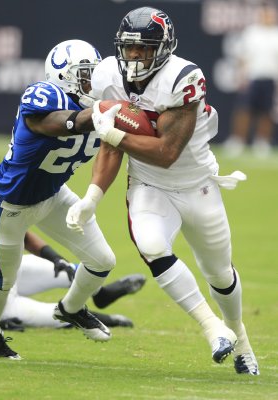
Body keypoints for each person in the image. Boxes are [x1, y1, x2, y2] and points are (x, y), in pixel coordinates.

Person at [66, 7, 259, 375]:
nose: (135, 56)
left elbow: (167, 153)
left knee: (219, 273)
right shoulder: (109, 74)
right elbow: (110, 147)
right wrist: (92, 198)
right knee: (153, 246)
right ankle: (212, 328)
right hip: (149, 185)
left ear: (164, 48)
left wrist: (116, 133)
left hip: (196, 183)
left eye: (144, 48)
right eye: (129, 48)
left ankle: (241, 339)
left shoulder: (182, 78)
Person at [0, 39, 127, 360]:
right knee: (2, 280)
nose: (91, 81)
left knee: (102, 261)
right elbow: (55, 123)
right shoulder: (44, 95)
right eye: (84, 74)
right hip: (8, 202)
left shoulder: (98, 104)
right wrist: (99, 112)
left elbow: (113, 143)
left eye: (93, 74)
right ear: (62, 75)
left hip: (53, 195)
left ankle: (70, 309)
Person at [0, 191, 147, 332]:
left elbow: (18, 233)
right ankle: (107, 319)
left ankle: (102, 294)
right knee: (52, 313)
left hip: (6, 267)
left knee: (67, 271)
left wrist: (54, 257)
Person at [223, 1, 278, 158]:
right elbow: (242, 57)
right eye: (265, 14)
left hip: (270, 79)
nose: (267, 17)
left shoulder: (276, 34)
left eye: (270, 14)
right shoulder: (251, 32)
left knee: (267, 112)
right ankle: (238, 141)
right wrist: (242, 76)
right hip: (252, 78)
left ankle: (262, 142)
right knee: (244, 110)